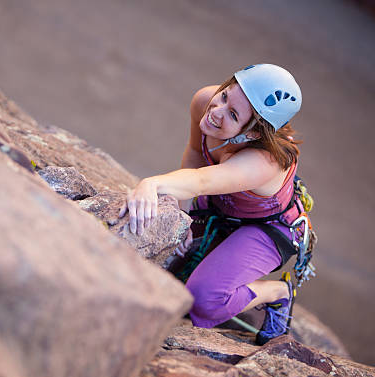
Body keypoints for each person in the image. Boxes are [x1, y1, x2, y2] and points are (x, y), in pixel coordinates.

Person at [118, 64, 309, 344]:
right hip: (221, 206)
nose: (216, 110)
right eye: (224, 95)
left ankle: (278, 293)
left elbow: (202, 182)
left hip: (267, 228)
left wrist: (153, 184)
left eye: (233, 114)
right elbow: (196, 151)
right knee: (168, 265)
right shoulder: (205, 100)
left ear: (254, 134)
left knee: (203, 298)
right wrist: (180, 217)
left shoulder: (263, 161)